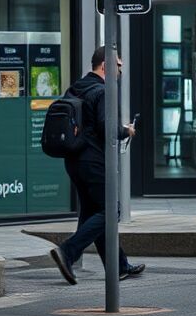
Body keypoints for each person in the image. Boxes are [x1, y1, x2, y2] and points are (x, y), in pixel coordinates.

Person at [49, 48, 145, 284]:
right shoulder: (102, 91)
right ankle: (68, 252)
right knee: (112, 210)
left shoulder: (77, 87)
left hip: (73, 160)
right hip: (92, 161)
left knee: (94, 213)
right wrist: (126, 130)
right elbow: (107, 128)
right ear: (105, 66)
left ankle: (118, 266)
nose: (121, 71)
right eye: (119, 65)